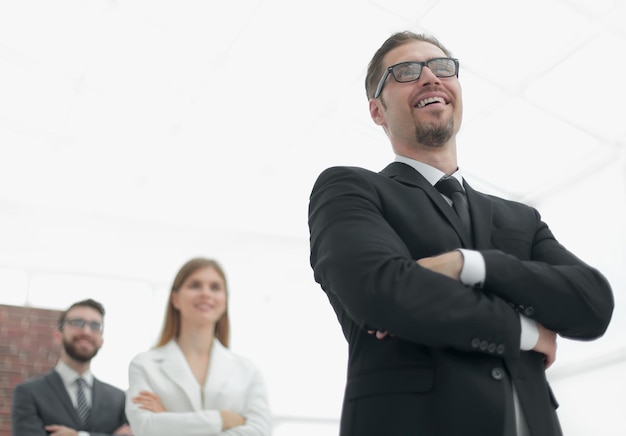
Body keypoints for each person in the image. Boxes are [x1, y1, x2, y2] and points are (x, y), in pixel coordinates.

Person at [308, 31, 614, 436]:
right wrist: (523, 330)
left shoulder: (520, 218)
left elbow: (592, 304)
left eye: (442, 67)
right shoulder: (349, 189)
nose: (430, 77)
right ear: (377, 111)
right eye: (406, 72)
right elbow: (380, 291)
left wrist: (472, 265)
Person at [125, 257, 271, 436]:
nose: (206, 293)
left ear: (225, 302)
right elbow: (145, 427)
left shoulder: (248, 371)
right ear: (175, 299)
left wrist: (168, 420)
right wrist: (222, 419)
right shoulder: (144, 365)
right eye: (195, 285)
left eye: (215, 287)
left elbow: (259, 432)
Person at [12, 298, 133, 436]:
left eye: (95, 326)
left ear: (101, 340)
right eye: (77, 323)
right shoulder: (29, 393)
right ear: (58, 335)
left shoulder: (118, 398)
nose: (86, 331)